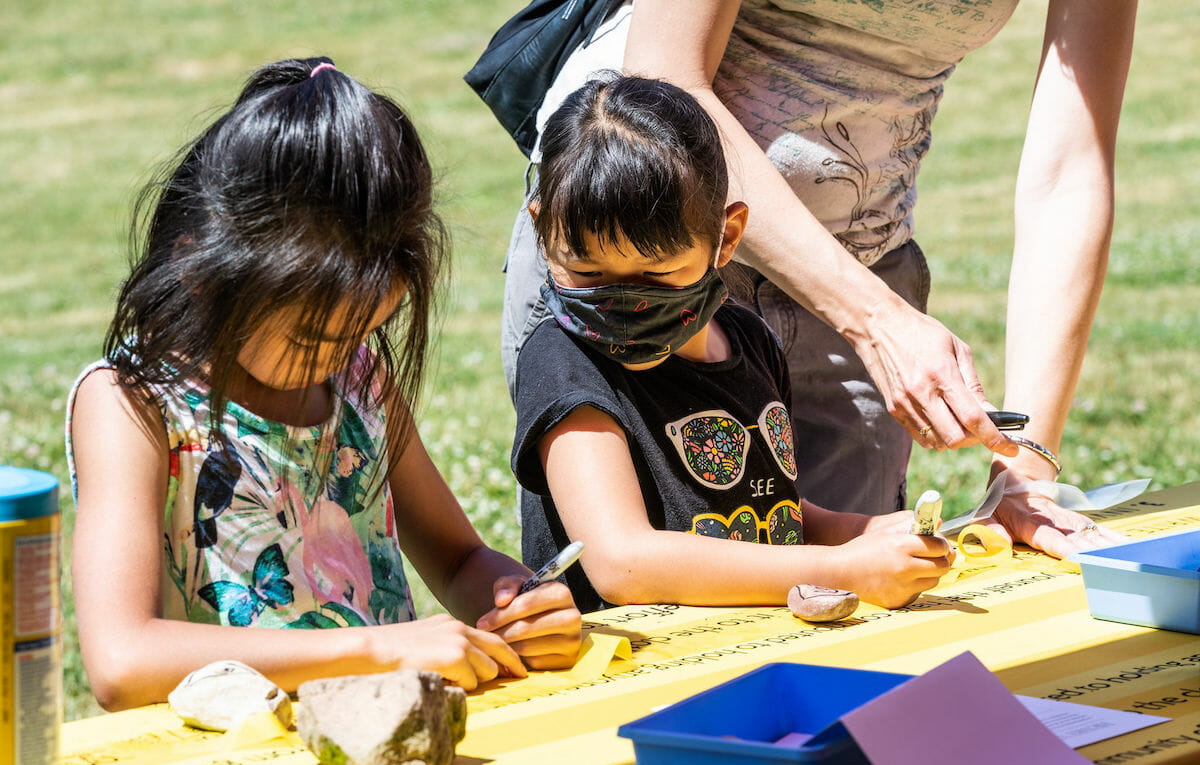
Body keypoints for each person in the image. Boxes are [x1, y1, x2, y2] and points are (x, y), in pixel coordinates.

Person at [499, 0, 1135, 559]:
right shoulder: (583, 329)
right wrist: (876, 321)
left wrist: (1024, 475)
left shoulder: (749, 343)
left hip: (860, 256)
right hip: (632, 218)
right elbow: (663, 73)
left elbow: (1069, 172)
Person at [66, 57, 581, 712]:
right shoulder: (132, 406)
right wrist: (378, 650)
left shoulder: (360, 377)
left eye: (364, 329)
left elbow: (457, 561)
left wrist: (520, 605)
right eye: (313, 338)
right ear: (202, 270)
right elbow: (122, 659)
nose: (338, 356)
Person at [512, 74, 952, 613]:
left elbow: (775, 509)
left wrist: (863, 532)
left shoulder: (748, 338)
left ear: (727, 238)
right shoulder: (564, 364)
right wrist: (845, 570)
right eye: (587, 272)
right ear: (542, 228)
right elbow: (623, 563)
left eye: (658, 274)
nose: (625, 299)